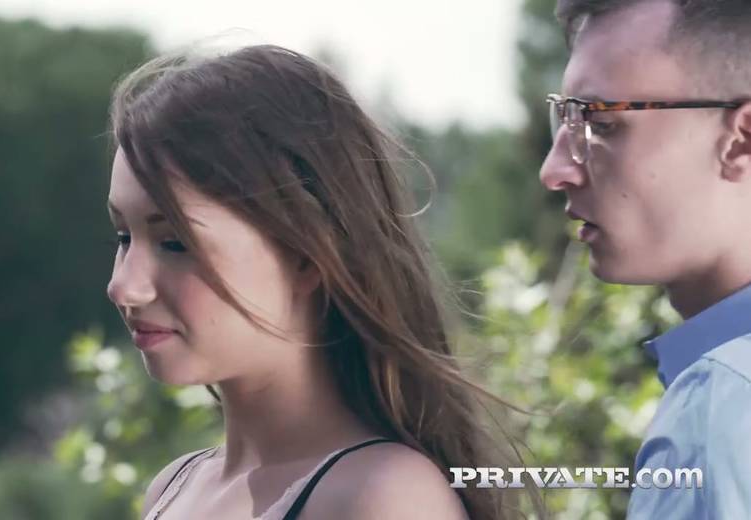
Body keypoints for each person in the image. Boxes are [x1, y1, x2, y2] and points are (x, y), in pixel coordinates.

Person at [105, 44, 523, 519]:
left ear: (306, 256)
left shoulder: (386, 497)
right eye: (123, 237)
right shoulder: (173, 488)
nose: (124, 286)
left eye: (175, 243)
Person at [540, 0, 751, 517]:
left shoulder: (720, 405)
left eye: (601, 123)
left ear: (740, 140)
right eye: (565, 117)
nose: (555, 170)